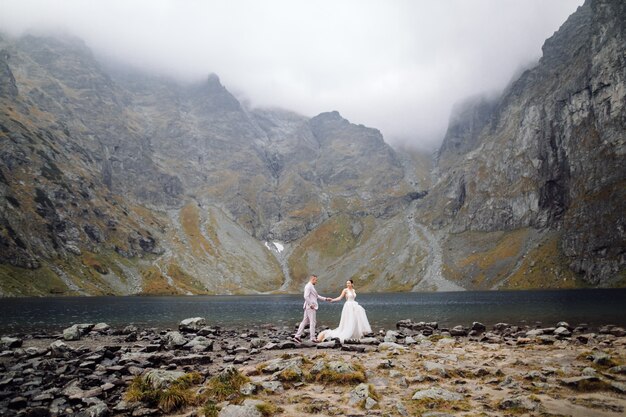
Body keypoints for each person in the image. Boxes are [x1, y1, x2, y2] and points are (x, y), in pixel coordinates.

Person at [293, 274, 331, 344]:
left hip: (308, 307)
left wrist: (326, 299)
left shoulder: (310, 286)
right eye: (316, 280)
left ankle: (297, 337)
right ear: (313, 279)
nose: (316, 281)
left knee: (304, 322)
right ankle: (312, 338)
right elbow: (306, 296)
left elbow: (316, 296)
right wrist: (311, 305)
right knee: (313, 322)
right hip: (310, 307)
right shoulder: (308, 286)